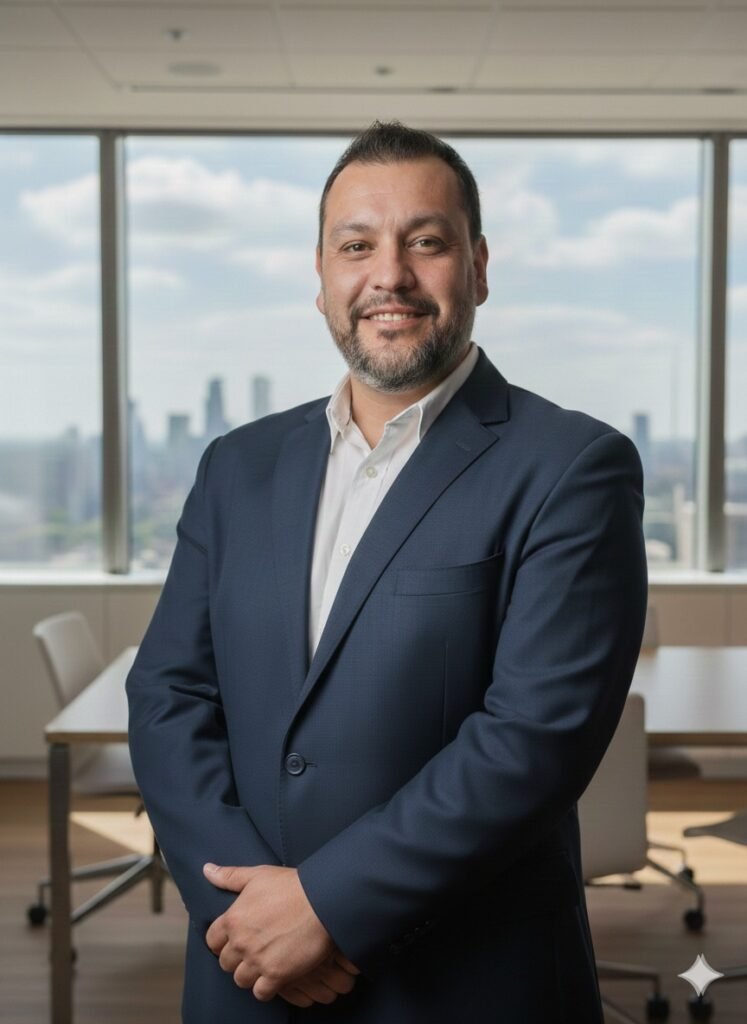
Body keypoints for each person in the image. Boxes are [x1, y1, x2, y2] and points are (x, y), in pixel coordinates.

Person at [126, 121, 648, 1023]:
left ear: (477, 267)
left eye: (426, 242)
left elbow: (532, 742)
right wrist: (239, 911)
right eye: (356, 245)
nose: (389, 276)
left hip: (462, 984)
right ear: (321, 275)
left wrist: (326, 907)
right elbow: (169, 694)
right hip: (244, 972)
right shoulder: (237, 465)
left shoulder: (571, 467)